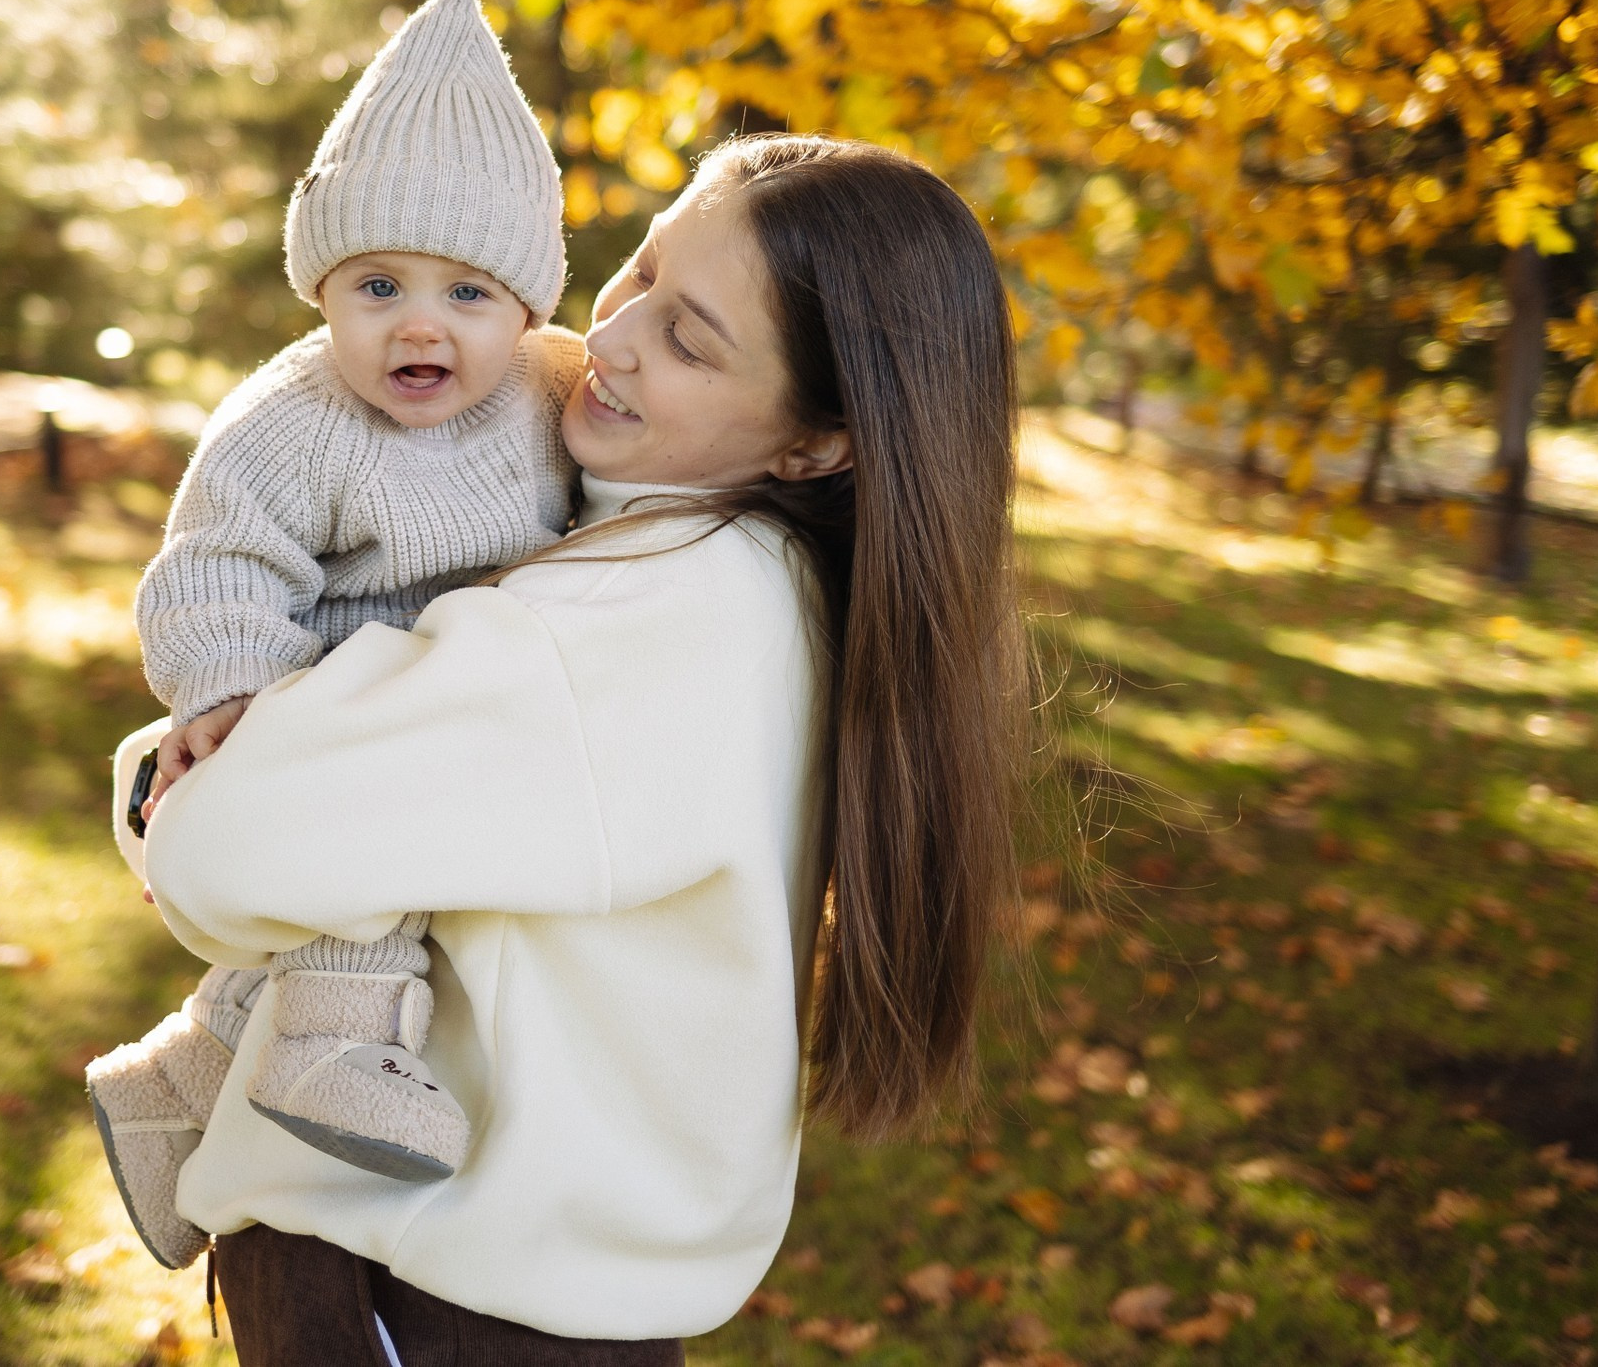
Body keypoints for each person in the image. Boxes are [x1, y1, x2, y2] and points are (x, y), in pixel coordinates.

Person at [123, 133, 1029, 1362]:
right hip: (515, 1285)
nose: (612, 337)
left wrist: (153, 777)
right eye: (645, 270)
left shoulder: (631, 624)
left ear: (817, 443)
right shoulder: (767, 581)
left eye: (690, 337)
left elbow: (223, 847)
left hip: (426, 1283)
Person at [85, 0, 585, 1271]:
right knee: (378, 841)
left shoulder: (549, 390)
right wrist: (231, 692)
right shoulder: (294, 419)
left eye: (469, 292)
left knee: (431, 820)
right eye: (378, 283)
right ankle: (333, 1045)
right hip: (322, 685)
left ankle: (174, 1089)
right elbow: (211, 565)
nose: (420, 321)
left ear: (526, 303)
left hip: (457, 684)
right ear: (321, 288)